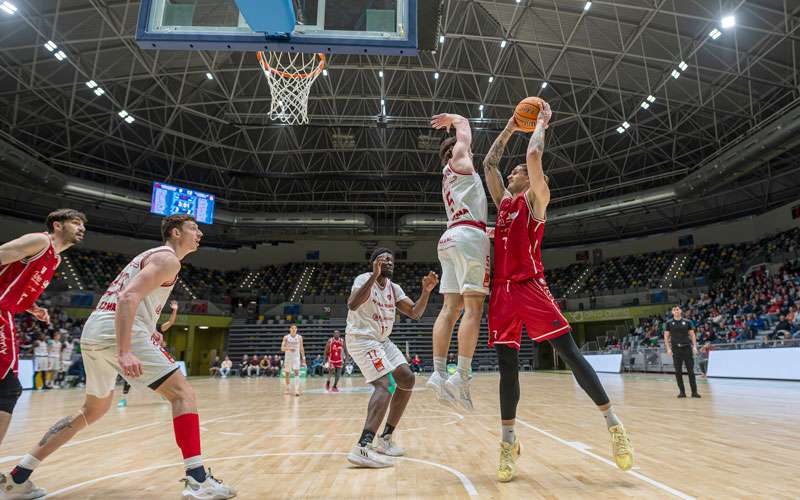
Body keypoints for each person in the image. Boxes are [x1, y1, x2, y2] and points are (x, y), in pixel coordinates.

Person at [0, 214, 235, 499]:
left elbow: (126, 298)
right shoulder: (167, 259)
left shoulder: (150, 256)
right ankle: (198, 479)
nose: (199, 233)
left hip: (96, 329)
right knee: (182, 393)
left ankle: (18, 477)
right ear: (175, 232)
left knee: (93, 410)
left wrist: (149, 329)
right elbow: (127, 298)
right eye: (194, 228)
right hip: (118, 330)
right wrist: (125, 350)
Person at [481, 101, 633, 482]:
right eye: (514, 171)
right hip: (501, 292)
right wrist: (510, 127)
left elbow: (533, 154)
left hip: (530, 286)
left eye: (519, 171)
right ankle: (508, 441)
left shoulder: (536, 199)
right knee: (507, 369)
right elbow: (488, 165)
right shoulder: (503, 204)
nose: (515, 171)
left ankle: (614, 426)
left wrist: (541, 124)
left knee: (570, 354)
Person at [0, 208, 85, 461]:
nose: (81, 227)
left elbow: (14, 283)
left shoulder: (55, 259)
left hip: (8, 313)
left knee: (8, 389)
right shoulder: (40, 241)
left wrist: (32, 307)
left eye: (83, 224)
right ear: (57, 226)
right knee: (8, 389)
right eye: (75, 222)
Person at [344, 248, 438, 468]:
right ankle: (362, 447)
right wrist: (374, 276)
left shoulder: (394, 288)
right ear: (373, 263)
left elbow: (415, 313)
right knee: (385, 385)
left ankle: (385, 440)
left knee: (407, 377)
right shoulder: (364, 279)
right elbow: (352, 304)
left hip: (382, 341)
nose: (388, 261)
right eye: (383, 258)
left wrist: (426, 292)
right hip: (362, 338)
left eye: (391, 259)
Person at [427, 113, 490, 410]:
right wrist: (456, 119)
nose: (471, 150)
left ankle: (438, 373)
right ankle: (461, 375)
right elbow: (464, 131)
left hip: (450, 237)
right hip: (467, 238)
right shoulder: (461, 160)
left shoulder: (447, 177)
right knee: (474, 308)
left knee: (450, 309)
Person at [118, 299, 178, 407]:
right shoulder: (137, 325)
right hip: (138, 354)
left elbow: (170, 322)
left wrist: (174, 310)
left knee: (162, 376)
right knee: (129, 378)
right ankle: (123, 399)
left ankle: (163, 395)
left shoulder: (156, 328)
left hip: (152, 356)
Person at [664, 305, 700, 398]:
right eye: (674, 310)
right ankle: (682, 392)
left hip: (687, 348)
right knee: (678, 371)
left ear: (680, 311)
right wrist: (668, 348)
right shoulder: (668, 323)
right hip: (676, 349)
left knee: (691, 371)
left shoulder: (688, 322)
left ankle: (694, 392)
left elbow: (692, 335)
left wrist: (694, 346)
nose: (676, 311)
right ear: (672, 312)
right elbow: (666, 337)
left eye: (678, 309)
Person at [281, 325, 305, 396]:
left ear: (297, 329)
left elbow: (301, 348)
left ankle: (296, 390)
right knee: (287, 373)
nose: (294, 329)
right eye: (292, 328)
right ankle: (287, 388)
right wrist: (289, 348)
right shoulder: (286, 337)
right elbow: (282, 348)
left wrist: (303, 358)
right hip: (288, 357)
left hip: (296, 357)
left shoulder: (299, 337)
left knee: (296, 372)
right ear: (290, 329)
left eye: (295, 328)